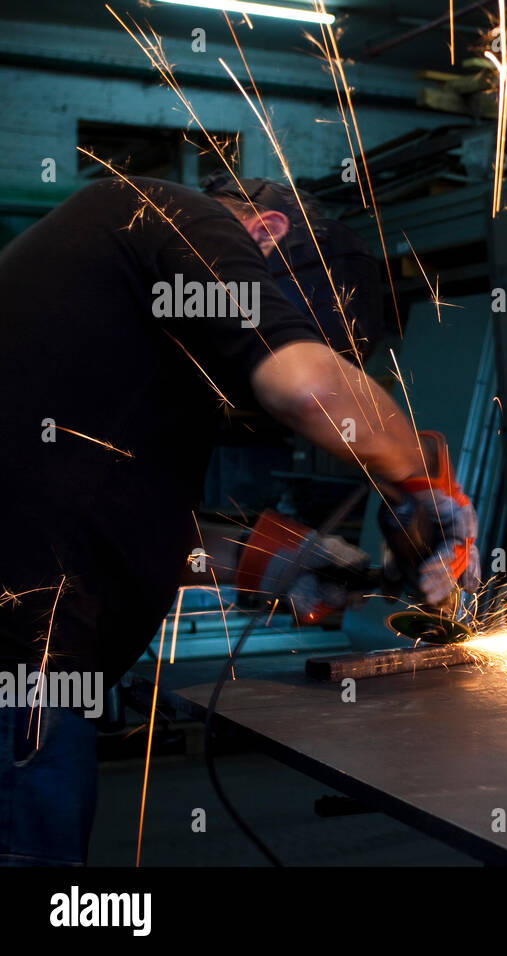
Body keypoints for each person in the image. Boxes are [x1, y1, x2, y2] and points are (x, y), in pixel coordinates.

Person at [0, 174, 480, 865]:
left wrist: (276, 561)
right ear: (266, 232)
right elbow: (309, 386)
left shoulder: (110, 307)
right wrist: (428, 480)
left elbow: (99, 513)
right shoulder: (174, 213)